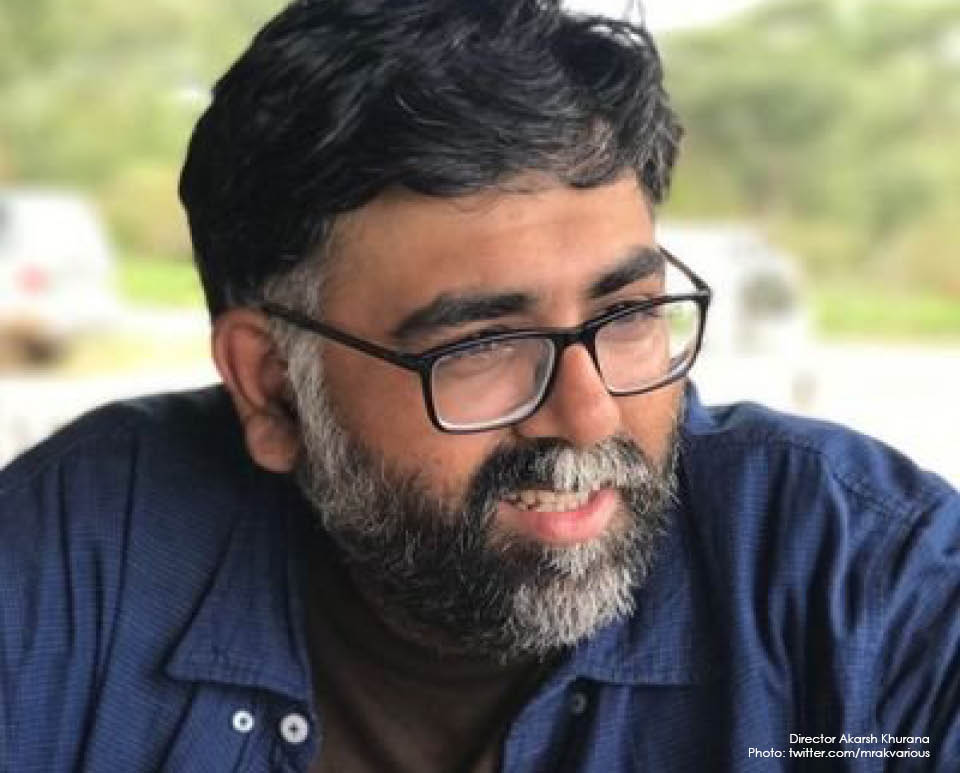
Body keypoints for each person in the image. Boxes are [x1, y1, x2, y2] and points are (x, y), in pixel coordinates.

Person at [1, 0, 957, 770]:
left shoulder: (864, 586)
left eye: (628, 315)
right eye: (484, 344)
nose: (588, 414)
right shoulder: (70, 573)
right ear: (275, 387)